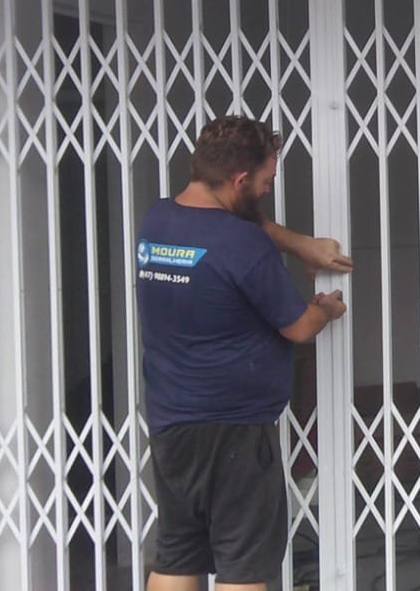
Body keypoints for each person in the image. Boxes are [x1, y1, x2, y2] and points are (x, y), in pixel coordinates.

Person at [137, 115, 349, 591]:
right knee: (243, 565)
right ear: (239, 179)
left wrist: (300, 245)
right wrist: (327, 308)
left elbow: (221, 227)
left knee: (177, 554)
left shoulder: (157, 220)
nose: (267, 189)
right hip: (234, 429)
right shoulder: (243, 244)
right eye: (265, 180)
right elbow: (298, 326)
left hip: (171, 422)